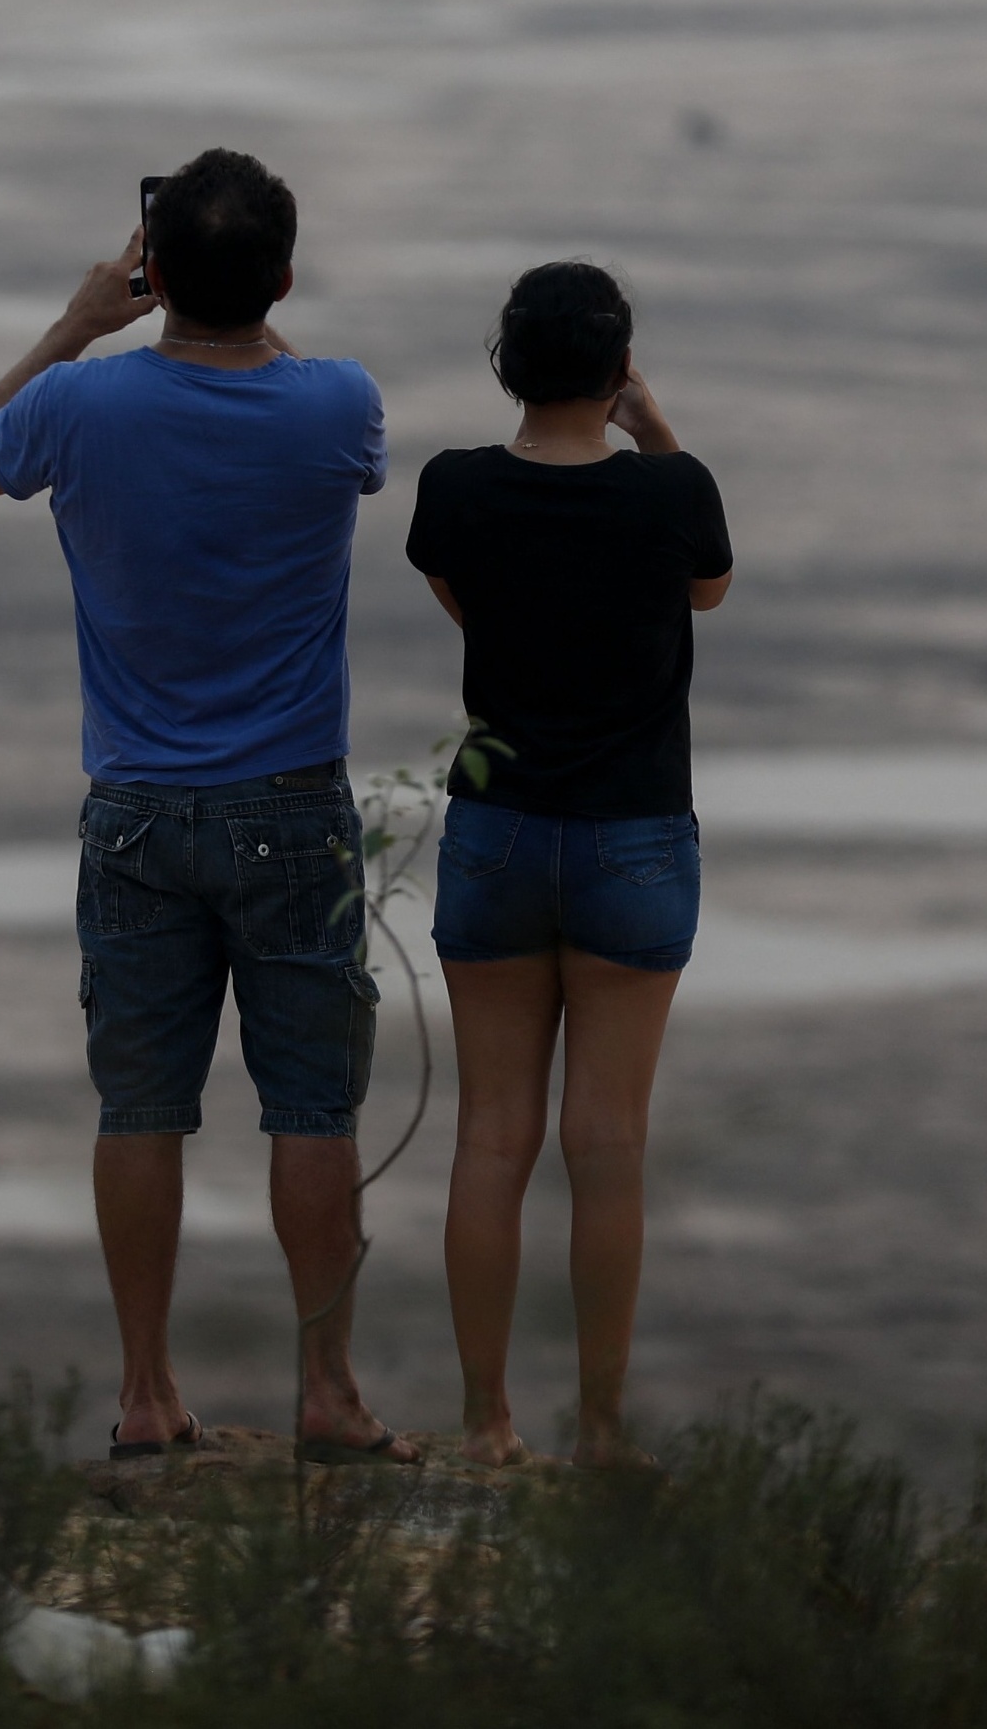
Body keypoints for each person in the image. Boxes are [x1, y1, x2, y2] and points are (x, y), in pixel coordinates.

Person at [0, 148, 416, 1463]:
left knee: (138, 1107)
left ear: (150, 273)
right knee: (311, 1107)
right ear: (278, 275)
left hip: (138, 808)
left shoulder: (80, 407)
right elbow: (308, 394)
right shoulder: (337, 403)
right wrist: (242, 300)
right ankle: (326, 1386)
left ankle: (146, 1391)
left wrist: (79, 319)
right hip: (290, 804)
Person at [405, 262, 732, 1468]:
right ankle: (599, 1429)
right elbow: (709, 585)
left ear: (508, 364)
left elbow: (467, 605)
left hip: (496, 830)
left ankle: (486, 1420)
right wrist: (651, 429)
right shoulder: (672, 492)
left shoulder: (455, 488)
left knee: (493, 1138)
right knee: (609, 1147)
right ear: (616, 365)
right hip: (633, 838)